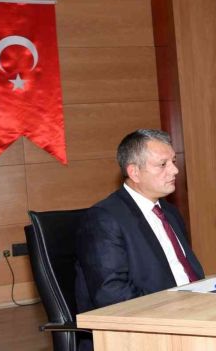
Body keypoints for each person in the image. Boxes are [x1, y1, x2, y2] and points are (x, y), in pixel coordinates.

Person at [75, 129, 204, 316]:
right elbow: (111, 294)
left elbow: (185, 273)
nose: (175, 170)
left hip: (194, 307)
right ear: (134, 172)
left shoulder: (169, 212)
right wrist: (172, 308)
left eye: (173, 162)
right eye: (163, 164)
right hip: (150, 318)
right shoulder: (104, 219)